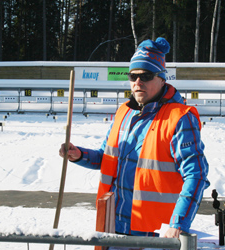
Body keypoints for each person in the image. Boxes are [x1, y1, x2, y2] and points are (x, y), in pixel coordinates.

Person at [59, 37, 209, 238]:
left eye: (146, 76)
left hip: (154, 234)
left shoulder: (180, 118)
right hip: (113, 226)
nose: (138, 82)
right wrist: (79, 155)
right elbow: (108, 159)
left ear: (162, 78)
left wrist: (178, 224)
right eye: (133, 76)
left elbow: (196, 176)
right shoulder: (124, 112)